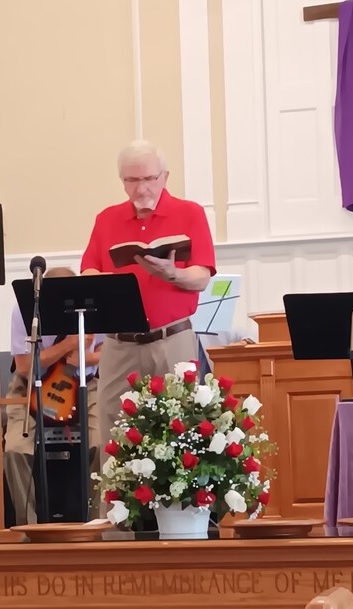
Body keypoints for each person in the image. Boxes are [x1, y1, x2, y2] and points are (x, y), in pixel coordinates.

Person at [81, 139, 216, 454]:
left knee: (181, 431)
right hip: (119, 343)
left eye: (149, 179)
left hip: (172, 338)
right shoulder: (107, 219)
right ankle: (117, 489)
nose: (141, 188)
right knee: (114, 434)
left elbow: (202, 277)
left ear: (165, 177)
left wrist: (172, 273)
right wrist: (102, 282)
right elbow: (88, 269)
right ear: (122, 181)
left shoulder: (189, 213)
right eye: (132, 180)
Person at [3, 267, 103, 524]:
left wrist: (86, 357)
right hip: (30, 384)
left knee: (103, 445)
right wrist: (68, 345)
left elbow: (107, 352)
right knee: (15, 449)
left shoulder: (93, 306)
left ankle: (97, 522)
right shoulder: (25, 310)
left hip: (85, 381)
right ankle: (28, 525)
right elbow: (25, 366)